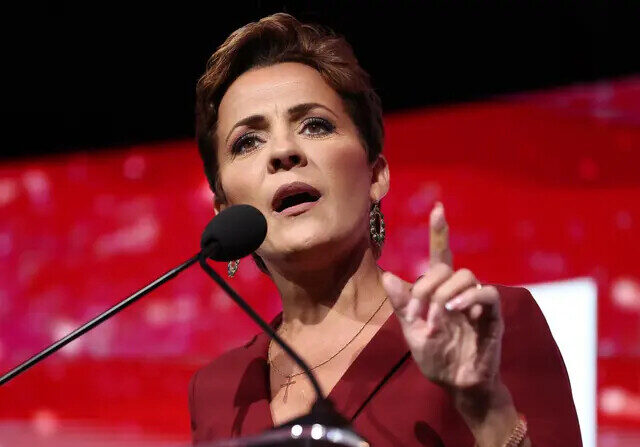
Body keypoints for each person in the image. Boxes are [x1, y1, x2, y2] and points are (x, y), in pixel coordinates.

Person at [188, 13, 582, 447]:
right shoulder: (220, 390)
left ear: (376, 175)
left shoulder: (485, 327)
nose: (283, 151)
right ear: (223, 209)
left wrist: (486, 408)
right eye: (247, 141)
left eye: (315, 125)